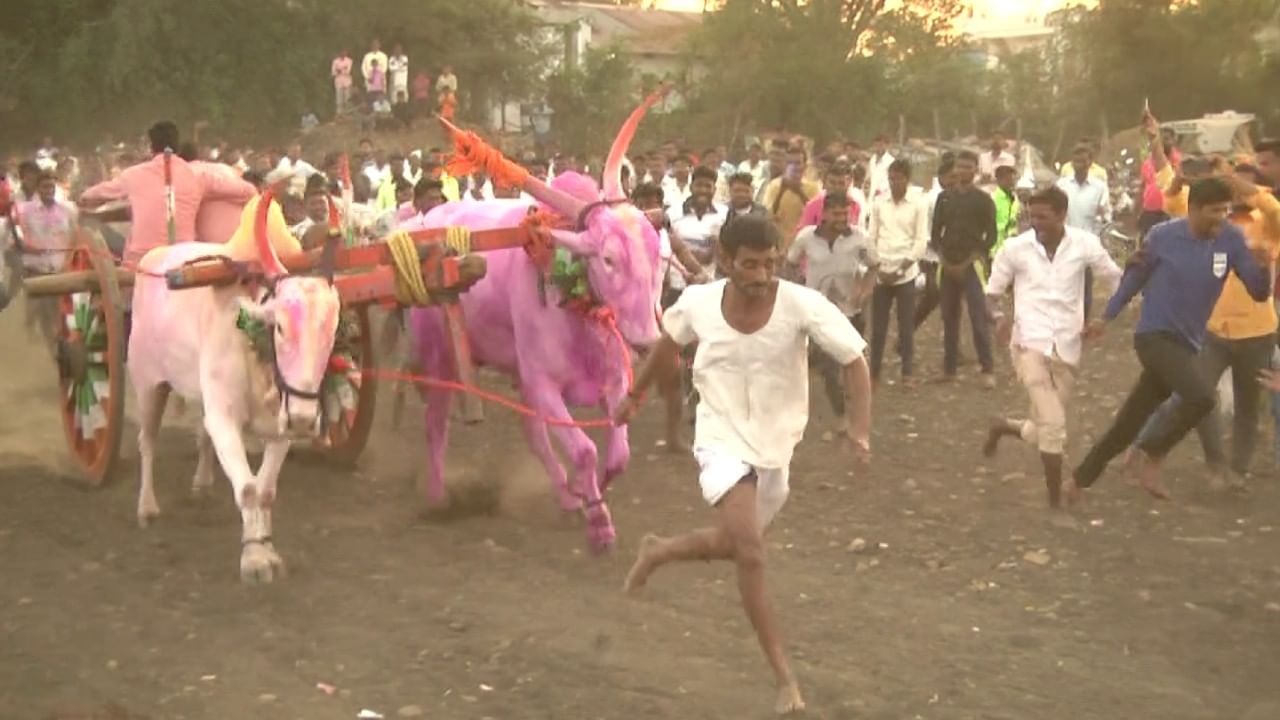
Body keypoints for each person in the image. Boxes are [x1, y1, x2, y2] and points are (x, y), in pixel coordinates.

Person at [614, 214, 872, 717]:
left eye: (771, 262)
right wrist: (634, 395)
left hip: (776, 446)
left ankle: (658, 551)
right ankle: (784, 678)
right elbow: (669, 348)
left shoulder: (801, 304)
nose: (762, 274)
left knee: (733, 544)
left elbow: (855, 361)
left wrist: (859, 429)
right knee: (751, 553)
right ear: (725, 261)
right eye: (750, 265)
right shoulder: (699, 303)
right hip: (719, 436)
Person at [1067, 177, 1272, 503]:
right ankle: (1154, 456)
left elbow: (1259, 293)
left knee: (1129, 423)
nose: (1221, 217)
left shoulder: (1232, 239)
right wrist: (1106, 317)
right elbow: (1134, 278)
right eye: (1214, 211)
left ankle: (1079, 479)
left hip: (1187, 344)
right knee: (1203, 397)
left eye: (1225, 210)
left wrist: (1266, 268)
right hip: (1153, 336)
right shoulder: (1162, 236)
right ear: (1193, 209)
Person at [1127, 166, 1280, 489]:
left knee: (1248, 407)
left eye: (1240, 188)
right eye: (1229, 188)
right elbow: (1173, 199)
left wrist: (1251, 190)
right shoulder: (1211, 222)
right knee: (1198, 398)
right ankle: (1214, 463)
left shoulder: (1266, 224)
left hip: (1257, 330)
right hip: (1211, 329)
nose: (1234, 195)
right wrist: (1188, 178)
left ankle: (1237, 471)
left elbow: (1274, 209)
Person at [982, 187, 1122, 507]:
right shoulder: (1015, 248)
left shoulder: (1085, 244)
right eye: (1032, 217)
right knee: (1055, 424)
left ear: (1062, 215)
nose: (1036, 223)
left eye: (1043, 217)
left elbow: (1117, 281)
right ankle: (1056, 501)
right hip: (1027, 344)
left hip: (1068, 346)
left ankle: (1003, 427)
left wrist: (1103, 319)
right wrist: (1000, 318)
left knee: (1040, 429)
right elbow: (990, 295)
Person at [79, 121, 256, 264]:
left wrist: (84, 201)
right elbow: (249, 191)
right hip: (183, 257)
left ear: (150, 147)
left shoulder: (133, 175)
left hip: (141, 260)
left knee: (96, 230)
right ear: (177, 147)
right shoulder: (198, 176)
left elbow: (90, 196)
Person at [787, 192, 875, 418]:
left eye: (845, 214)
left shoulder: (860, 238)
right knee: (829, 369)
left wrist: (865, 290)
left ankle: (853, 405)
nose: (842, 219)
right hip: (816, 312)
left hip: (850, 312)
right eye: (836, 214)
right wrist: (795, 291)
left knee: (851, 361)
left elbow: (874, 266)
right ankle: (842, 419)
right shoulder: (806, 237)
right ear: (824, 214)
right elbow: (790, 263)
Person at [931, 150, 997, 386]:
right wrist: (945, 260)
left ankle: (987, 369)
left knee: (978, 317)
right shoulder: (944, 198)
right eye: (959, 167)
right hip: (947, 264)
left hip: (971, 265)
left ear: (976, 171)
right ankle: (950, 369)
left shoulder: (983, 200)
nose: (963, 171)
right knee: (949, 318)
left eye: (968, 167)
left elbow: (990, 236)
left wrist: (970, 261)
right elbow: (935, 233)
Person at [868, 158, 928, 384]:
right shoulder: (879, 203)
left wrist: (902, 267)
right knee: (878, 327)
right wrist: (879, 268)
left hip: (906, 273)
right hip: (882, 272)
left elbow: (920, 241)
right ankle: (874, 373)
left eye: (898, 178)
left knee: (905, 326)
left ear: (907, 179)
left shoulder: (918, 203)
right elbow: (871, 238)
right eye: (891, 178)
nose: (894, 183)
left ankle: (907, 373)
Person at [762, 146, 820, 251]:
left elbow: (817, 216)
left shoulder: (813, 188)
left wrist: (799, 192)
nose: (793, 167)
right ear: (784, 165)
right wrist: (782, 191)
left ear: (805, 165)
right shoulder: (774, 186)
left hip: (803, 247)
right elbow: (769, 215)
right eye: (789, 163)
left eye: (798, 163)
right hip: (778, 246)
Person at [332, 49, 354, 116]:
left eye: (345, 52)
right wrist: (343, 69)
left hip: (347, 81)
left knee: (347, 98)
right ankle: (339, 114)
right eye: (342, 51)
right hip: (338, 81)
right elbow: (333, 72)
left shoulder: (349, 61)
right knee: (339, 99)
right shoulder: (335, 61)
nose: (343, 53)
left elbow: (348, 71)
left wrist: (339, 70)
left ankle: (347, 113)